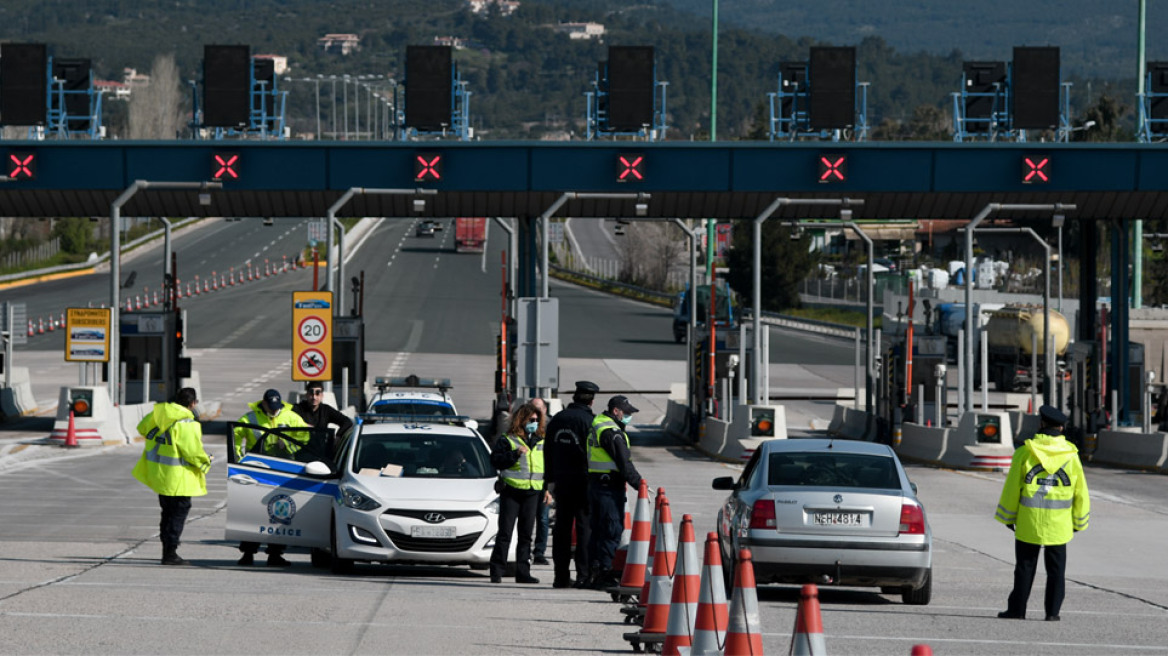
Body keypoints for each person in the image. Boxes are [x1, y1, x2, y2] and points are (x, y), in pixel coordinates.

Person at [995, 405, 1091, 621]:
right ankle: (1052, 612)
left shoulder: (1024, 453)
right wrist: (1078, 521)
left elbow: (1012, 488)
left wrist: (1008, 517)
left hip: (1029, 521)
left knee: (1024, 568)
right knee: (1056, 571)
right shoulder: (1071, 456)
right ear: (1062, 427)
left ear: (1041, 424)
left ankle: (1017, 610)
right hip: (1060, 524)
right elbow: (1081, 492)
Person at [132, 387, 211, 566]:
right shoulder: (188, 424)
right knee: (177, 514)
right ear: (193, 403)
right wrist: (206, 463)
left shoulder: (159, 415)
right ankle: (170, 553)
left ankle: (167, 550)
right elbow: (192, 452)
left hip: (161, 475)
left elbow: (142, 428)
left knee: (167, 513)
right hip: (180, 479)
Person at [235, 388, 310, 567]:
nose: (274, 411)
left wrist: (289, 445)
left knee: (280, 514)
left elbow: (305, 436)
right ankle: (247, 554)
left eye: (277, 407)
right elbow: (235, 435)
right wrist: (239, 459)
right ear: (264, 403)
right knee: (252, 514)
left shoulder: (291, 417)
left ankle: (275, 555)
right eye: (271, 407)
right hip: (256, 472)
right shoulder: (250, 418)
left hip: (282, 472)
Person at [544, 381, 599, 589]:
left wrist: (549, 480)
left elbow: (547, 451)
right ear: (591, 400)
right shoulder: (590, 422)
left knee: (562, 528)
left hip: (561, 481)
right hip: (584, 481)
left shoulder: (557, 419)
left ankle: (560, 576)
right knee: (584, 529)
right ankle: (583, 575)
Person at [585, 395, 643, 589]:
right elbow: (624, 463)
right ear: (616, 411)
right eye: (626, 413)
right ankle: (603, 572)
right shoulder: (611, 432)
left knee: (598, 530)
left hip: (597, 484)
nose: (628, 417)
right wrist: (639, 484)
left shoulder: (599, 424)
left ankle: (593, 572)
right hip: (608, 488)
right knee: (612, 529)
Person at [488, 402, 545, 585]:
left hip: (532, 493)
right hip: (512, 491)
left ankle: (523, 572)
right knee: (505, 532)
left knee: (526, 534)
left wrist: (548, 491)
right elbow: (496, 461)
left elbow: (546, 468)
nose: (534, 423)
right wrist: (514, 454)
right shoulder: (508, 439)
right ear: (522, 420)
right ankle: (497, 570)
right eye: (531, 420)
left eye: (536, 420)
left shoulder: (542, 441)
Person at [291, 380, 353, 455]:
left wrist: (338, 436)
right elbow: (288, 422)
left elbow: (346, 421)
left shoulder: (326, 410)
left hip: (321, 453)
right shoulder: (298, 409)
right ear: (306, 395)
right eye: (311, 393)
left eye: (317, 393)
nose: (314, 397)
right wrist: (304, 425)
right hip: (302, 451)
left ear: (322, 396)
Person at [529, 397, 551, 567]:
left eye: (538, 409)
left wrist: (549, 488)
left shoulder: (550, 430)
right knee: (526, 520)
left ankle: (539, 552)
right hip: (525, 485)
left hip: (543, 484)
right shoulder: (521, 430)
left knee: (542, 519)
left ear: (544, 409)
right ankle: (524, 551)